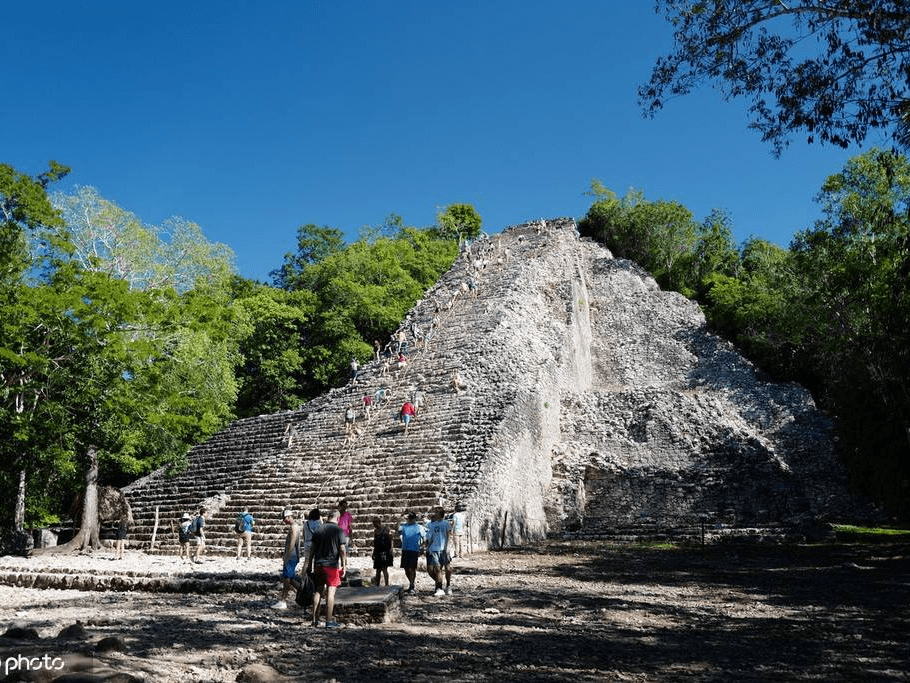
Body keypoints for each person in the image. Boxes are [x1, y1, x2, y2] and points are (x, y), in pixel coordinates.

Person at [304, 509, 347, 628]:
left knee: (318, 590)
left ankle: (314, 620)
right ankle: (329, 621)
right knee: (330, 592)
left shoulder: (318, 529)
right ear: (337, 519)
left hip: (318, 565)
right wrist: (344, 565)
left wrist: (309, 564)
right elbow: (342, 549)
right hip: (331, 566)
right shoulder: (338, 530)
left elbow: (312, 549)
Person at [273, 509, 301, 609]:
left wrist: (287, 557)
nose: (284, 521)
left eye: (284, 519)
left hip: (291, 556)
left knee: (286, 579)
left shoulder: (294, 527)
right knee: (290, 579)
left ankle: (283, 601)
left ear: (288, 517)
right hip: (293, 556)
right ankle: (305, 593)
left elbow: (292, 544)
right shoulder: (295, 527)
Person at [425, 506, 453, 596]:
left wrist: (448, 547)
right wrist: (428, 548)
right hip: (434, 549)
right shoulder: (432, 524)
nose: (434, 514)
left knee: (447, 568)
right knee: (436, 569)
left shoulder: (446, 523)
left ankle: (448, 585)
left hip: (444, 549)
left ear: (440, 514)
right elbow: (430, 537)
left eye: (436, 512)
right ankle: (439, 587)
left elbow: (449, 536)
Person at [398, 512, 426, 593]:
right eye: (409, 518)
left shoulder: (419, 527)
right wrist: (399, 519)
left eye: (411, 518)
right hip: (405, 550)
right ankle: (411, 583)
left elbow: (424, 537)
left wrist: (421, 546)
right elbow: (398, 530)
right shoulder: (404, 526)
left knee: (412, 568)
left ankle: (412, 585)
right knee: (406, 568)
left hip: (414, 550)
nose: (410, 520)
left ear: (414, 518)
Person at [371, 517, 393, 586]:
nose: (374, 525)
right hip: (378, 552)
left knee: (384, 569)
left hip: (384, 552)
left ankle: (386, 584)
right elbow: (375, 542)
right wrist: (373, 552)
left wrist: (391, 550)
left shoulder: (386, 529)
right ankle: (377, 584)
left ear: (378, 522)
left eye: (374, 523)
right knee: (378, 570)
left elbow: (391, 539)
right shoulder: (375, 531)